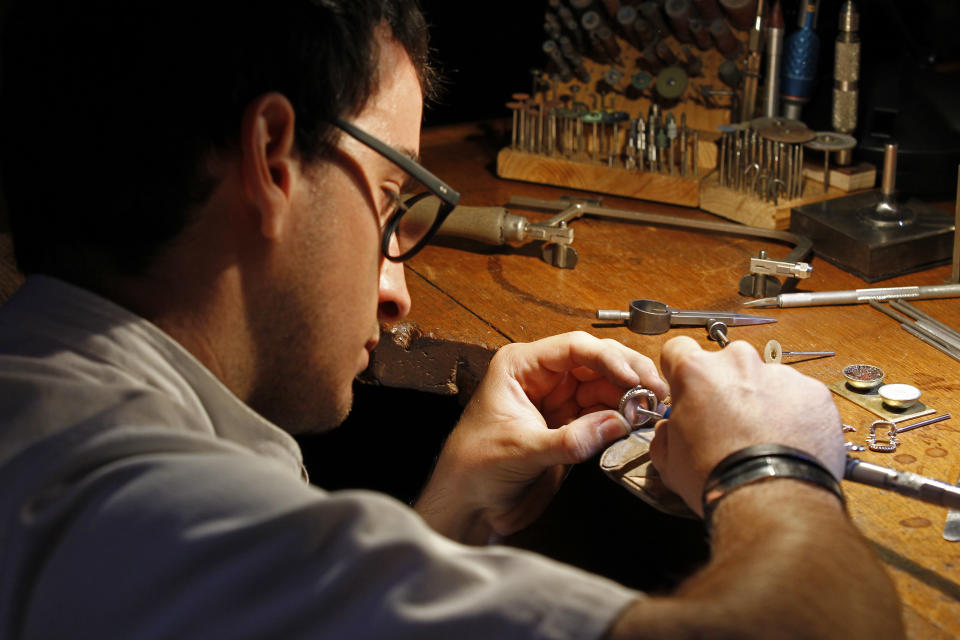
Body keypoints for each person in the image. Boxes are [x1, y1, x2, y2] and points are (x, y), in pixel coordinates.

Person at [0, 0, 903, 638]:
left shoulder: (49, 405)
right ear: (273, 158)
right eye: (391, 205)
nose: (397, 292)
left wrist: (449, 512)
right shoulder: (142, 516)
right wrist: (773, 464)